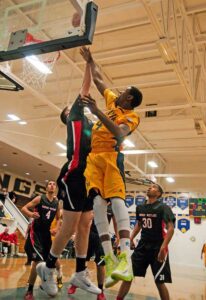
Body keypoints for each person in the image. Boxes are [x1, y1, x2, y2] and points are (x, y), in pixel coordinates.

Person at [36, 62, 101, 297]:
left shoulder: (91, 125)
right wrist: (89, 63)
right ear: (67, 114)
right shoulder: (74, 116)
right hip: (73, 175)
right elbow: (86, 87)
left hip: (89, 178)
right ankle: (49, 268)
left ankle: (81, 272)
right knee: (70, 225)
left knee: (85, 225)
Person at [80, 46, 142, 288]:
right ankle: (110, 256)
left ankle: (125, 257)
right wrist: (91, 60)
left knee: (116, 201)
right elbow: (97, 79)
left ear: (129, 99)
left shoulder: (131, 116)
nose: (120, 91)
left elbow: (118, 133)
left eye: (125, 91)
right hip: (94, 158)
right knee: (97, 204)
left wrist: (96, 111)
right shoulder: (111, 100)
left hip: (111, 156)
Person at [116, 184, 175, 300]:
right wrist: (131, 238)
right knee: (127, 276)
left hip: (158, 246)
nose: (149, 187)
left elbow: (171, 229)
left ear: (158, 194)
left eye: (154, 187)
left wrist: (163, 248)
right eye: (149, 186)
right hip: (142, 246)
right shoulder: (140, 207)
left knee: (159, 281)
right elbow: (139, 225)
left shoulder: (163, 208)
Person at [68, 204, 118, 300]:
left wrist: (118, 237)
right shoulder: (94, 202)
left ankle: (100, 291)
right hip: (88, 234)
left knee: (100, 265)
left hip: (102, 236)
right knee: (82, 261)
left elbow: (115, 222)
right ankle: (76, 282)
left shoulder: (112, 207)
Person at [21, 180, 61, 300]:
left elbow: (59, 218)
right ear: (46, 188)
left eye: (54, 184)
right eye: (50, 184)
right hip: (36, 233)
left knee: (51, 261)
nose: (52, 185)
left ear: (56, 189)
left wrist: (56, 228)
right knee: (37, 262)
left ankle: (45, 283)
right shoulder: (39, 198)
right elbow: (24, 208)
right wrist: (31, 214)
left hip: (46, 235)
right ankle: (29, 291)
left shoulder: (57, 203)